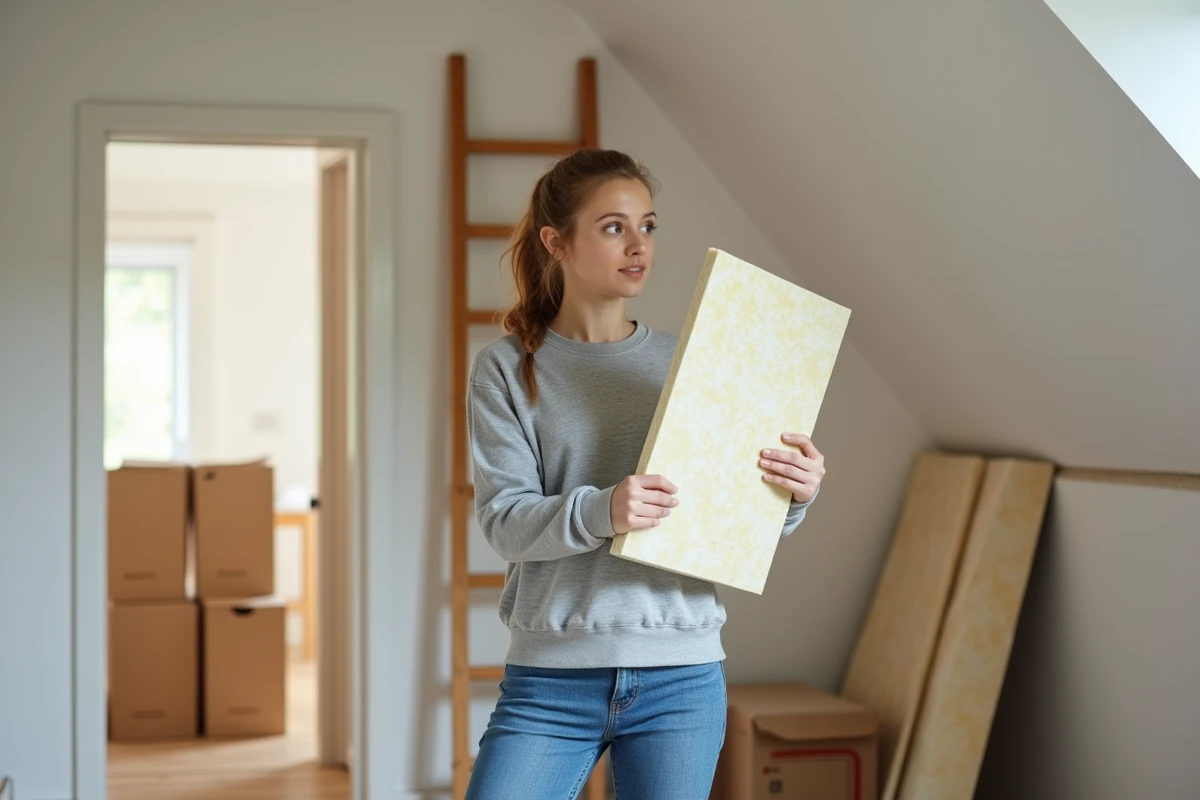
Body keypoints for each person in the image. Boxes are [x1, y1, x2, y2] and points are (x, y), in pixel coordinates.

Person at [464, 149, 826, 799]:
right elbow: (504, 524)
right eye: (613, 227)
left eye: (649, 226)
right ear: (557, 242)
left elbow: (736, 521)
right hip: (550, 681)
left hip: (681, 679)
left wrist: (793, 493)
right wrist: (606, 511)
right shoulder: (505, 369)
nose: (639, 245)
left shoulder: (691, 363)